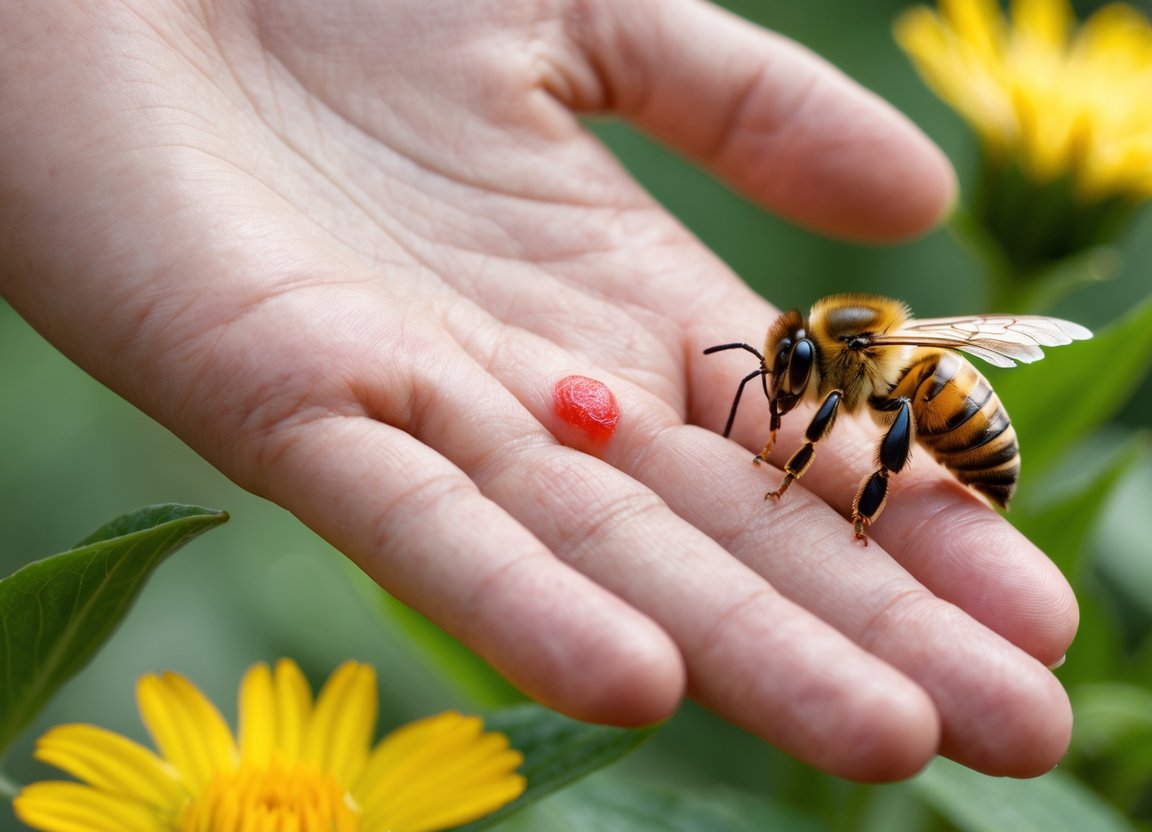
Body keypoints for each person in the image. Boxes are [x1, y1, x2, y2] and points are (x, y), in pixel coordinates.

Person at [0, 0, 1076, 781]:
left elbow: (856, 410)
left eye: (788, 381)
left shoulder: (866, 368)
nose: (783, 392)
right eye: (785, 386)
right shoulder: (841, 353)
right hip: (945, 398)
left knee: (888, 460)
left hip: (947, 410)